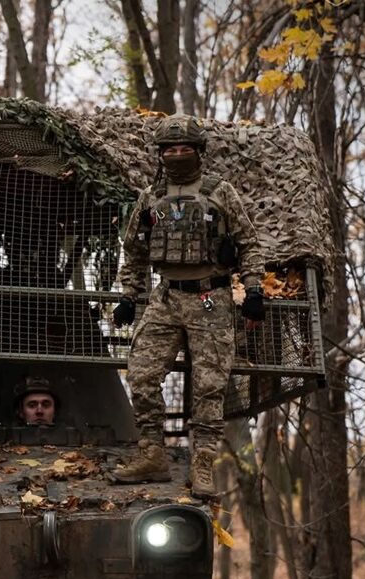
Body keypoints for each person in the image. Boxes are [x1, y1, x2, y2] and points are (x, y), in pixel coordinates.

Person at [110, 114, 265, 499]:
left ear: (199, 151)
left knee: (210, 387)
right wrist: (130, 295)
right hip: (166, 298)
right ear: (160, 154)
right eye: (169, 149)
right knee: (142, 375)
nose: (177, 154)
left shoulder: (220, 192)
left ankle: (203, 465)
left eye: (184, 148)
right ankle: (153, 455)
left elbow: (249, 243)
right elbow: (133, 251)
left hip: (210, 299)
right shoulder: (150, 198)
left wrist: (254, 289)